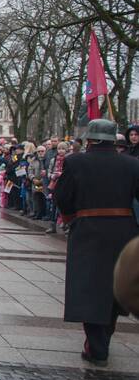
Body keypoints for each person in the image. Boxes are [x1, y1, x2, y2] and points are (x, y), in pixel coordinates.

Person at [53, 119, 139, 366]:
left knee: (90, 287)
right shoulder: (132, 164)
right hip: (124, 232)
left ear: (90, 139)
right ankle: (103, 340)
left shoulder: (75, 161)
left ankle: (96, 345)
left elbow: (63, 196)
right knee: (115, 288)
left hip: (88, 230)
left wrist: (72, 218)